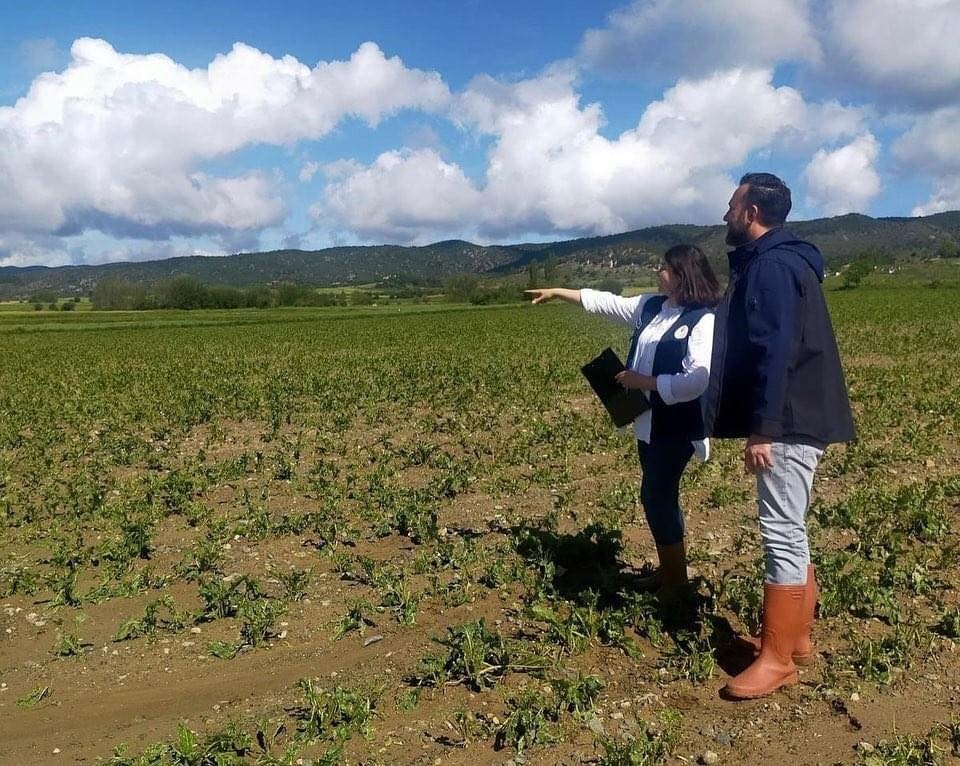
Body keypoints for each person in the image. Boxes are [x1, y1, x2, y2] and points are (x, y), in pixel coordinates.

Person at [706, 172, 856, 699]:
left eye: (731, 204)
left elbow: (776, 351)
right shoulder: (787, 260)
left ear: (750, 213)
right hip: (797, 417)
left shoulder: (770, 265)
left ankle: (777, 659)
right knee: (791, 526)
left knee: (781, 532)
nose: (725, 213)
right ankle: (796, 641)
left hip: (788, 421)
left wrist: (763, 427)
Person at [526, 244, 723, 597]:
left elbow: (697, 379)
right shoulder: (651, 307)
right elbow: (604, 302)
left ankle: (676, 582)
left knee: (655, 496)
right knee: (659, 496)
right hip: (647, 423)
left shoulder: (702, 319)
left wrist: (644, 382)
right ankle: (669, 573)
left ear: (682, 276)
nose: (658, 272)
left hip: (677, 427)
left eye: (664, 267)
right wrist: (557, 292)